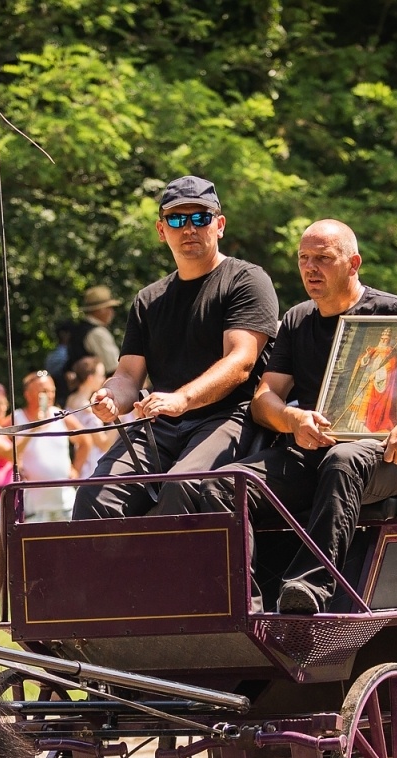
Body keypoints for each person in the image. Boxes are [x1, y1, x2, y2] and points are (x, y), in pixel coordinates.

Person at [166, 219, 397, 614]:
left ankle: (309, 588)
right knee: (225, 485)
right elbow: (265, 399)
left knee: (343, 461)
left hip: (394, 457)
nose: (311, 268)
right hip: (315, 449)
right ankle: (245, 605)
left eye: (324, 259)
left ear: (353, 263)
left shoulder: (392, 311)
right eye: (304, 259)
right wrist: (293, 421)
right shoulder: (297, 320)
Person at [72, 175, 279, 520]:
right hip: (162, 424)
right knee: (95, 496)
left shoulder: (246, 280)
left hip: (229, 416)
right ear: (161, 229)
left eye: (200, 217)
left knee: (182, 487)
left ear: (220, 225)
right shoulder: (149, 299)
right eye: (177, 219)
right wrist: (110, 398)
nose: (189, 228)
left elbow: (241, 360)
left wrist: (182, 399)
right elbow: (127, 375)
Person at [14, 370, 82, 522]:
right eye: (44, 391)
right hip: (34, 507)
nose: (50, 395)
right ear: (28, 394)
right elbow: (4, 452)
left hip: (65, 502)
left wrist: (76, 468)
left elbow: (85, 441)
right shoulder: (16, 418)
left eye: (52, 391)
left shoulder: (60, 415)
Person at [63, 356, 119, 478]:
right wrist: (118, 417)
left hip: (76, 461)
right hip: (90, 468)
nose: (103, 379)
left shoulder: (71, 400)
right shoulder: (87, 409)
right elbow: (104, 444)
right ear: (90, 378)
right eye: (101, 375)